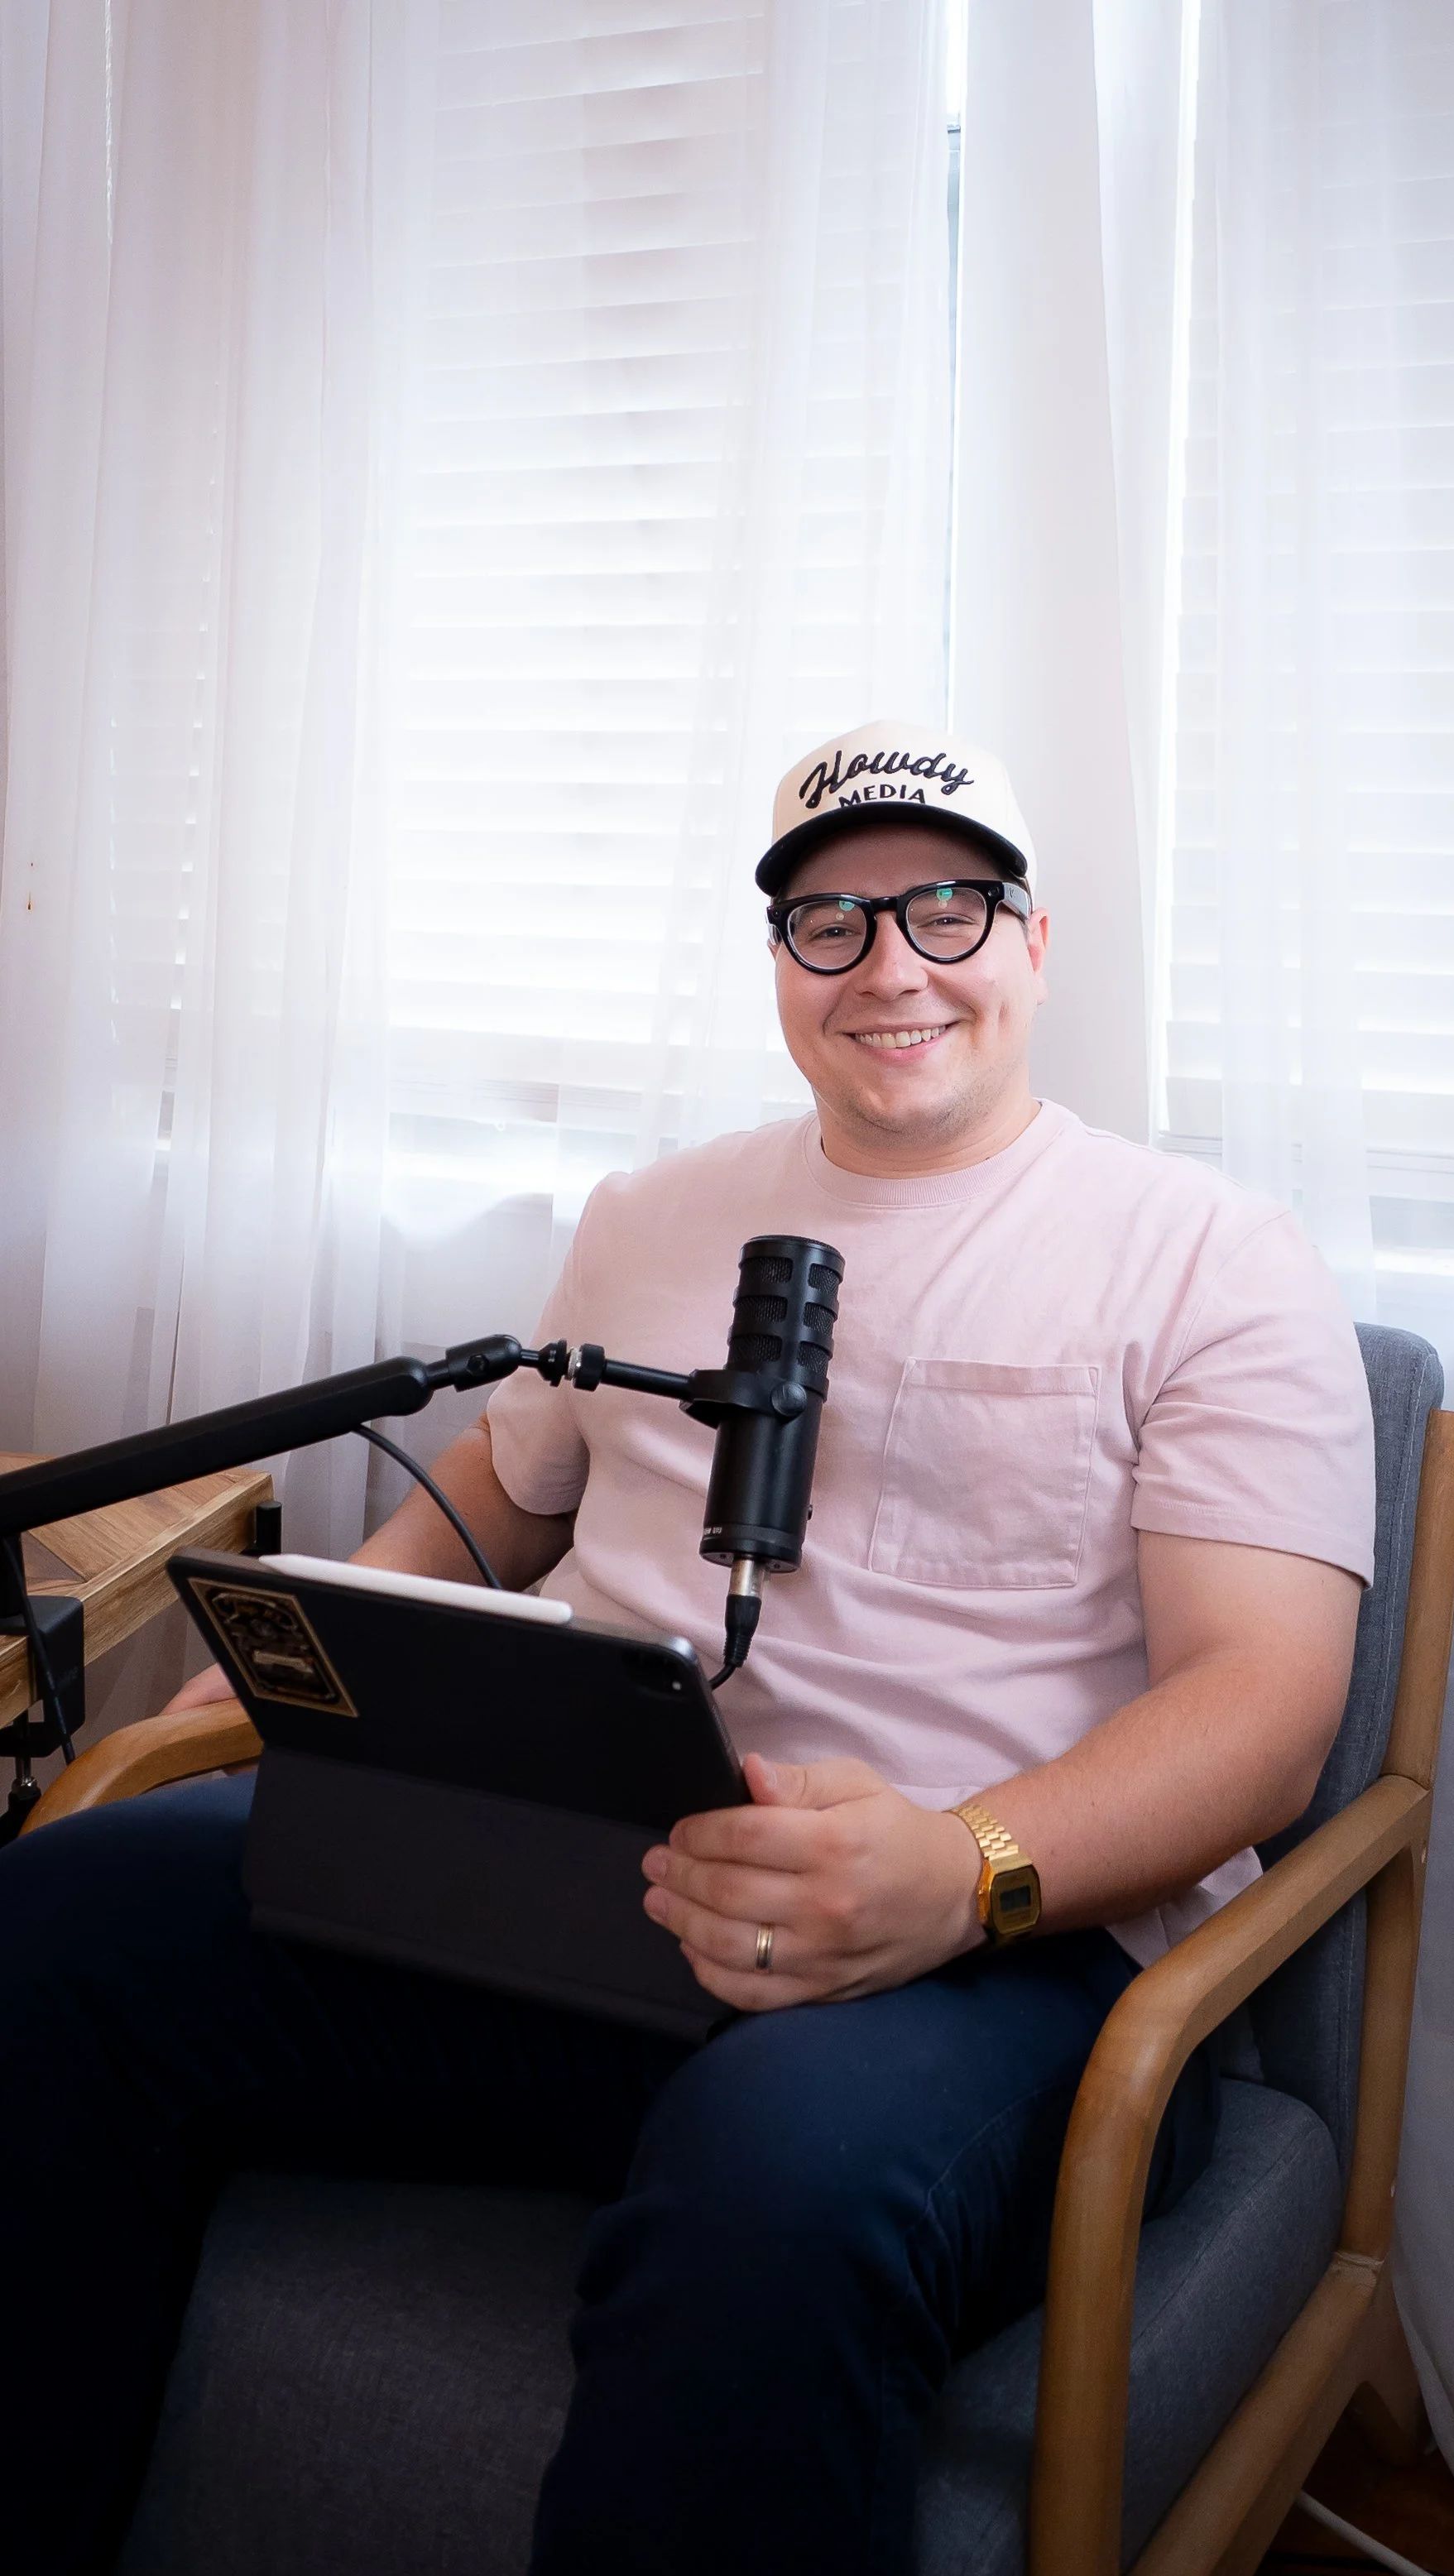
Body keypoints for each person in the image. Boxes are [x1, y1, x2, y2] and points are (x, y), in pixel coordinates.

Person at [0, 721, 1375, 2576]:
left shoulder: (1209, 1256)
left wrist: (964, 1868)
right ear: (779, 961)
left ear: (1034, 944)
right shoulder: (651, 1217)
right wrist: (292, 1683)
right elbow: (504, 1489)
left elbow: (1264, 1705)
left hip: (988, 1961)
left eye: (946, 910)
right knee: (67, 1911)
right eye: (830, 923)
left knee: (772, 2182)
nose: (890, 966)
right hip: (574, 1876)